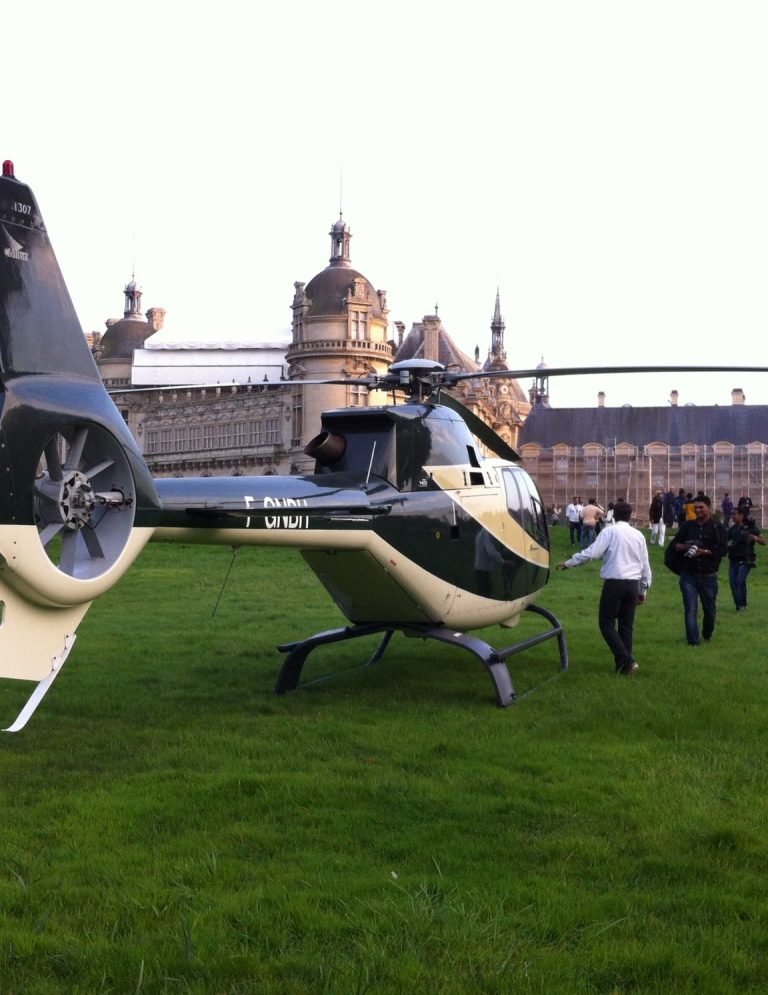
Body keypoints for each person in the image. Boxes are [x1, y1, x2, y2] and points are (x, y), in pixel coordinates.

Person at [556, 500, 651, 675]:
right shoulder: (638, 535)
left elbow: (592, 552)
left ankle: (627, 661)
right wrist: (643, 589)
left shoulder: (610, 532)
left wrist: (569, 563)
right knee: (626, 626)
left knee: (606, 623)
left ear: (613, 515)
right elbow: (645, 564)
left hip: (615, 583)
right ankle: (623, 666)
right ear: (630, 516)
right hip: (633, 584)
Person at [670, 495, 728, 646]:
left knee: (710, 611)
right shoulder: (687, 526)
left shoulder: (717, 527)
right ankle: (693, 642)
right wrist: (686, 546)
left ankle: (707, 633)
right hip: (689, 575)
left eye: (701, 507)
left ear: (708, 507)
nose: (697, 510)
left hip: (708, 576)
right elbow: (675, 544)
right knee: (690, 609)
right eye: (695, 507)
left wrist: (706, 552)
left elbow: (723, 549)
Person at [726, 506, 765, 611]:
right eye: (731, 514)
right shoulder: (732, 530)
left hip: (746, 559)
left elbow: (763, 541)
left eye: (734, 514)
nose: (732, 516)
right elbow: (724, 541)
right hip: (733, 560)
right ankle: (738, 606)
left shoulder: (751, 527)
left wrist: (754, 537)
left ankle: (743, 605)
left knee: (740, 581)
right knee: (733, 584)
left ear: (741, 515)